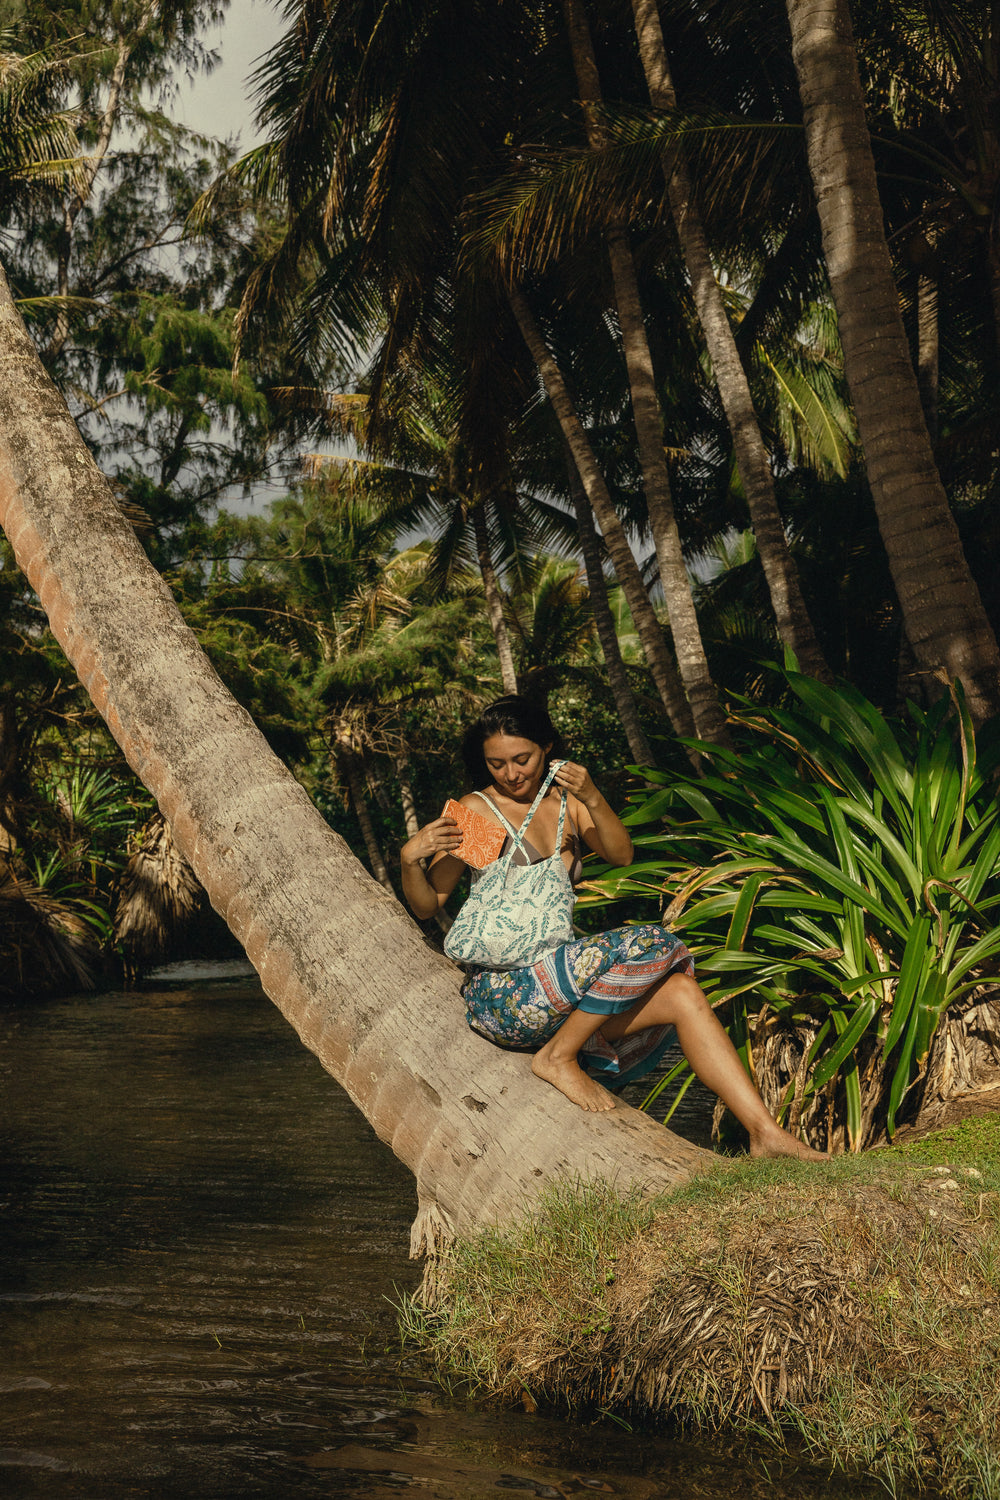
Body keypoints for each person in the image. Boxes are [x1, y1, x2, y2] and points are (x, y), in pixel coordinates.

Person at [401, 696, 824, 1160]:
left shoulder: (567, 804)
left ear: (548, 748)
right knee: (657, 942)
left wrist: (593, 795)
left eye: (522, 759)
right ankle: (558, 1058)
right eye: (496, 763)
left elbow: (621, 855)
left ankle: (764, 1133)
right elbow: (428, 905)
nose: (511, 773)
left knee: (684, 995)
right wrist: (409, 858)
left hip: (561, 992)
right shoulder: (479, 809)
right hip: (505, 995)